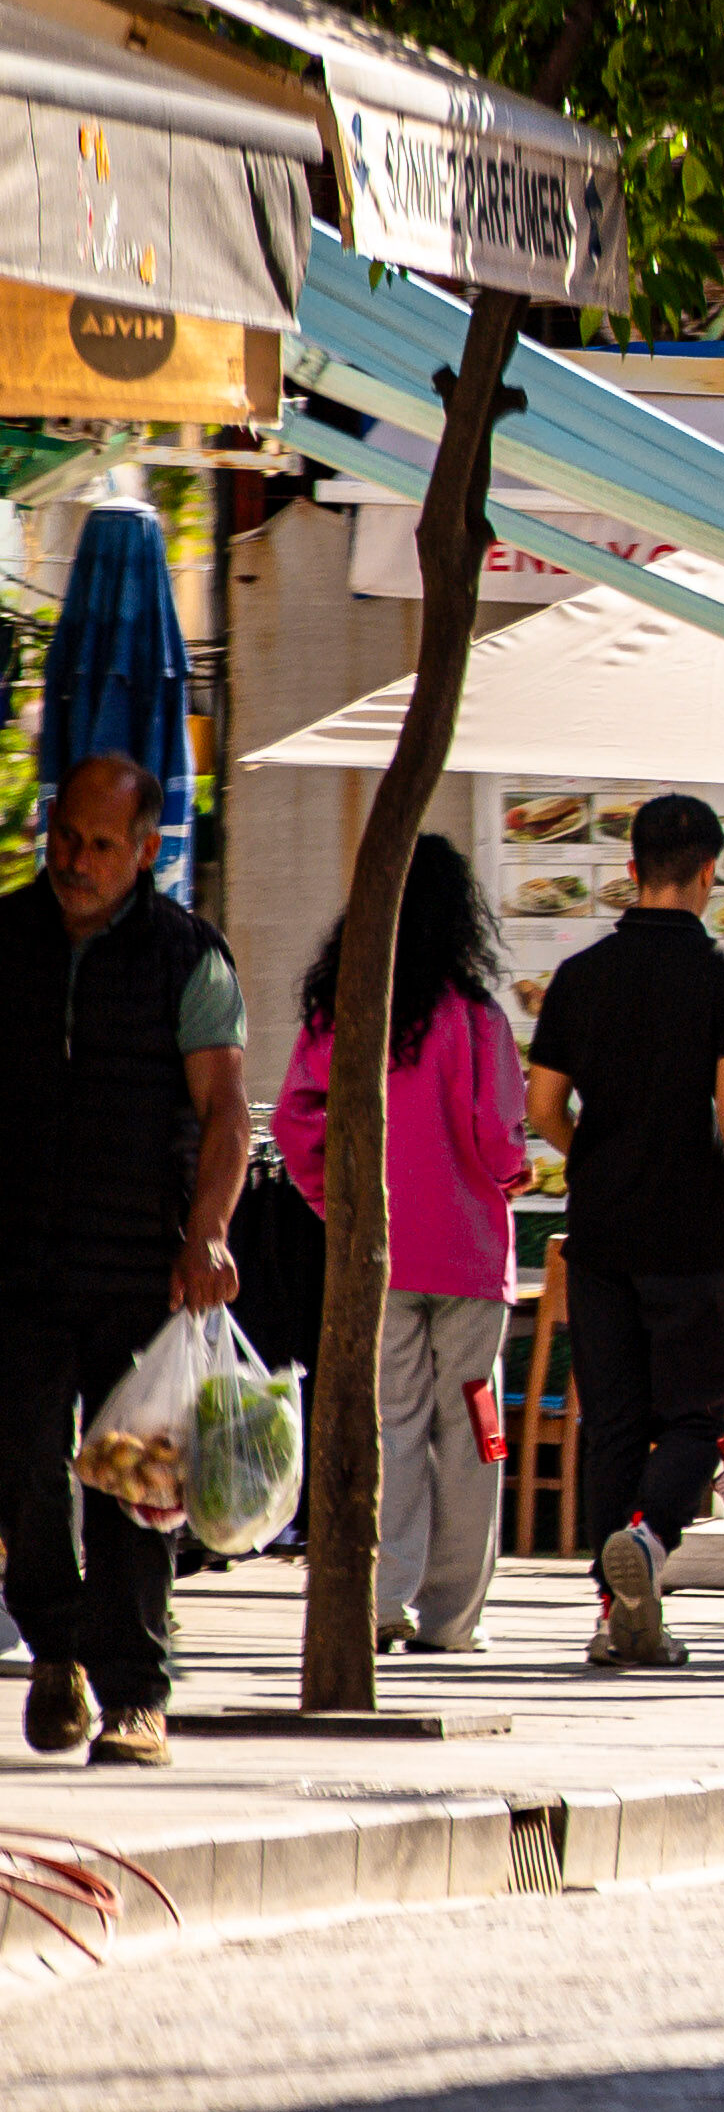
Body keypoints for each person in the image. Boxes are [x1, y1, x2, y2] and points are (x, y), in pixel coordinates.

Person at [0, 755, 242, 1767]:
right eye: (66, 837)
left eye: (102, 846)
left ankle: (138, 1696)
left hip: (141, 1261)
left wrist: (207, 1231)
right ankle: (58, 1646)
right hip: (17, 1259)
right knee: (20, 1463)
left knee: (134, 1480)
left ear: (146, 852)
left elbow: (226, 1111)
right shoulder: (7, 937)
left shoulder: (189, 956)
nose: (77, 861)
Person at [529, 794, 724, 1672]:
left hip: (600, 1230)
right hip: (695, 1229)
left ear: (631, 870)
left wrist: (596, 1157)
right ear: (710, 872)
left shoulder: (579, 975)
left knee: (615, 1424)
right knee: (699, 1417)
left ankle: (616, 1614)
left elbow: (543, 1107)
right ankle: (649, 1534)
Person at [277, 835, 532, 1656]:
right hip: (473, 1265)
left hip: (377, 1261)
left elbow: (295, 1123)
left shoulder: (342, 1012)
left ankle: (382, 1601)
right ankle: (456, 1619)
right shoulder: (480, 1020)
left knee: (388, 1428)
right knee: (480, 1433)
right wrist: (513, 1173)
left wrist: (336, 1206)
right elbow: (498, 1140)